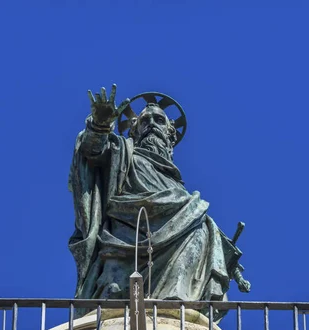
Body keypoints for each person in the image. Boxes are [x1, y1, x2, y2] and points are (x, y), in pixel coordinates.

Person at [68, 85, 250, 311]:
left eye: (159, 120)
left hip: (181, 245)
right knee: (112, 306)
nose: (152, 124)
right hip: (124, 242)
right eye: (145, 121)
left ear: (170, 133)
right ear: (134, 131)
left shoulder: (178, 187)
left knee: (201, 222)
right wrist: (99, 125)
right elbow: (92, 150)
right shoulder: (122, 152)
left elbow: (191, 214)